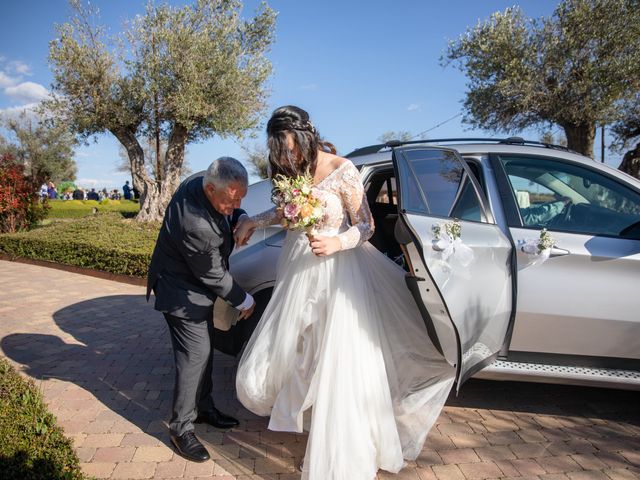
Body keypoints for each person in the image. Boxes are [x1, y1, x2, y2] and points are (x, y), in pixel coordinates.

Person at [234, 106, 455, 480]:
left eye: (290, 149)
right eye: (280, 153)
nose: (287, 158)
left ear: (305, 137)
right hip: (298, 268)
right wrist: (253, 220)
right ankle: (300, 412)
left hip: (338, 272)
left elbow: (366, 225)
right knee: (302, 350)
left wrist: (338, 243)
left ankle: (341, 444)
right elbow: (286, 211)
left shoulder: (343, 169)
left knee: (339, 357)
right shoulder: (292, 171)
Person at [146, 157, 256, 463]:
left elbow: (231, 210)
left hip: (198, 289)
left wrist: (242, 216)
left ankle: (204, 407)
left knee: (204, 350)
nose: (233, 208)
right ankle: (180, 427)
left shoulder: (204, 180)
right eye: (229, 203)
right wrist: (245, 300)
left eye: (239, 202)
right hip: (180, 291)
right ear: (209, 188)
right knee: (195, 355)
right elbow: (214, 275)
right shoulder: (194, 224)